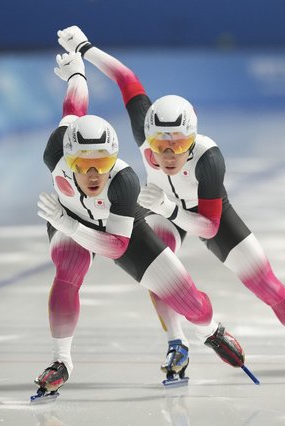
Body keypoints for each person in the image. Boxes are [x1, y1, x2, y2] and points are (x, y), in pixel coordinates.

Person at [56, 26, 285, 382]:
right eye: (159, 144)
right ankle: (176, 341)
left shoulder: (208, 158)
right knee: (159, 271)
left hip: (202, 213)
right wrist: (86, 48)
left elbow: (210, 227)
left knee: (267, 285)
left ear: (193, 139)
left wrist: (168, 208)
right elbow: (126, 78)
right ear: (147, 136)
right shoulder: (147, 133)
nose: (168, 153)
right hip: (163, 211)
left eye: (179, 144)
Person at [33, 52, 247, 400]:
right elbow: (73, 109)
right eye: (82, 164)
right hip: (70, 219)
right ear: (66, 157)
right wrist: (76, 75)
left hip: (117, 229)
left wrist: (67, 225)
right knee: (68, 267)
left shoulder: (124, 182)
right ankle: (62, 361)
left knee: (191, 303)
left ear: (113, 159)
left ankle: (211, 330)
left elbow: (116, 247)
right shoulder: (54, 151)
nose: (92, 174)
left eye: (101, 163)